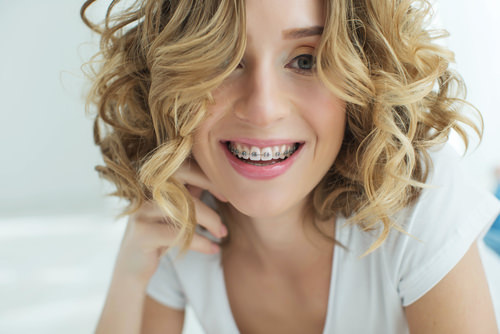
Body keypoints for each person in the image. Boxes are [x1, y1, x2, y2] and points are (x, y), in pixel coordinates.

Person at [81, 0, 500, 333]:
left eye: (305, 61)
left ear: (364, 77)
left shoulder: (417, 192)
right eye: (223, 61)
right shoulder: (182, 219)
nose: (262, 109)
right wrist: (130, 272)